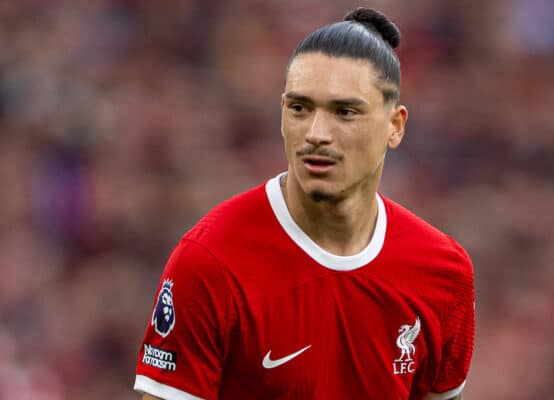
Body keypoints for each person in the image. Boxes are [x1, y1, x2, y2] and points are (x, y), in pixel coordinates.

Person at [134, 7, 474, 400]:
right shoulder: (209, 260)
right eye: (300, 108)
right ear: (281, 115)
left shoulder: (445, 273)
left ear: (395, 126)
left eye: (344, 112)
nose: (316, 134)